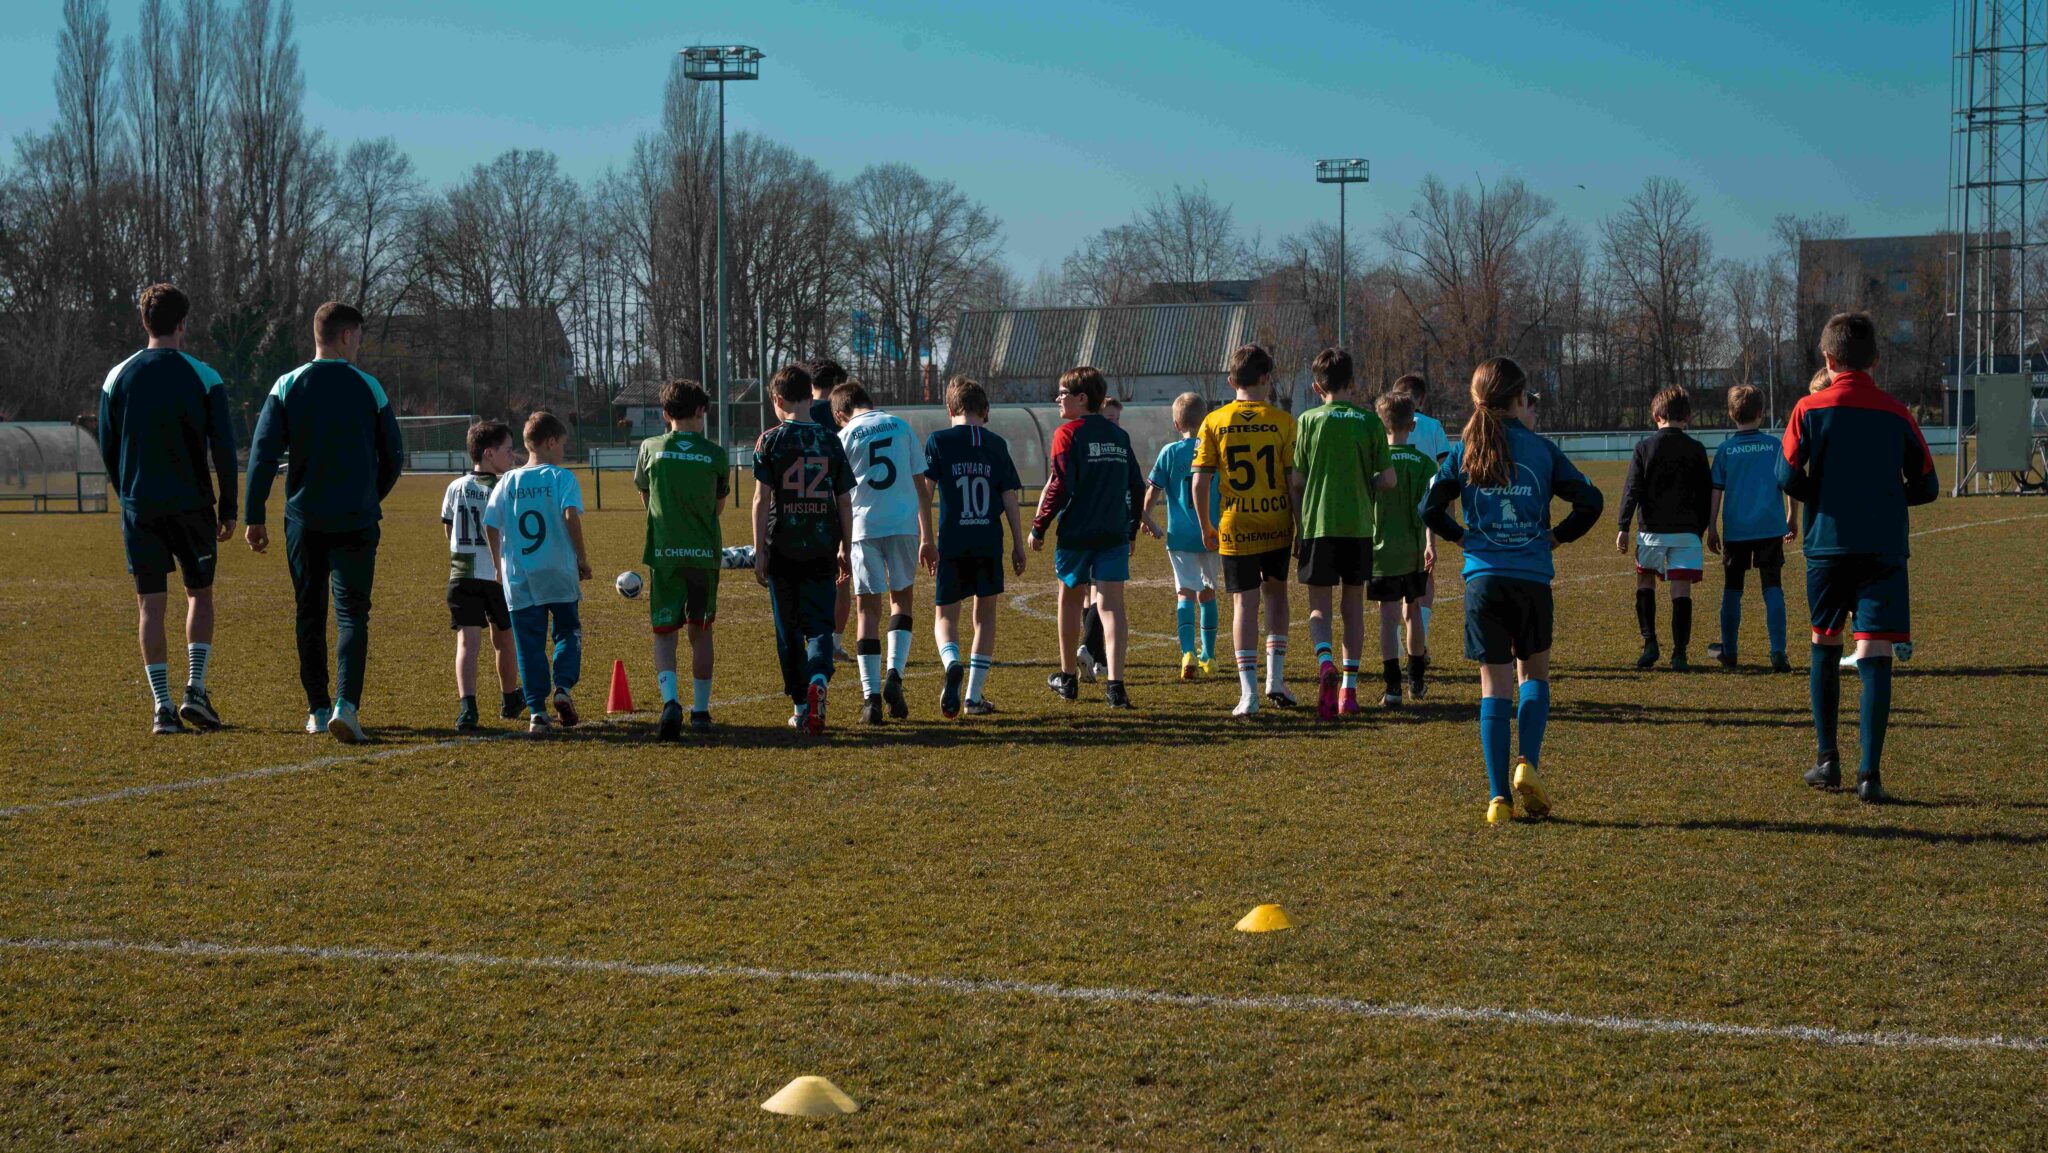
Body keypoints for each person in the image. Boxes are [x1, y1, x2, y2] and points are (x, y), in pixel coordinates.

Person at [1423, 357, 1604, 825]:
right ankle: (1528, 764)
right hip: (1531, 580)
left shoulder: (1464, 450)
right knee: (1534, 678)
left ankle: (1498, 799)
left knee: (1493, 688)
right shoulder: (1541, 450)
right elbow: (1591, 501)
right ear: (1519, 400)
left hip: (1483, 581)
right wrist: (1558, 535)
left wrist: (1462, 538)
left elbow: (1428, 507)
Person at [1778, 312, 1938, 803]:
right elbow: (1928, 485)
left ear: (1828, 360)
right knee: (1875, 652)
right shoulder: (1896, 412)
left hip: (1827, 545)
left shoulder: (1808, 408)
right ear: (1875, 360)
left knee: (1825, 643)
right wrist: (1886, 498)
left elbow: (1785, 476)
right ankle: (1870, 775)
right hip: (1883, 548)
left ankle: (1828, 761)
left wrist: (1823, 497)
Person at [244, 301, 403, 744]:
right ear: (347, 336)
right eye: (359, 338)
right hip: (356, 518)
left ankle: (316, 709)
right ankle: (345, 707)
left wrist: (254, 515)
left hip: (303, 519)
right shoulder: (369, 386)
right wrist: (371, 497)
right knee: (353, 614)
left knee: (308, 612)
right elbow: (395, 456)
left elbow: (262, 456)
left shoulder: (287, 384)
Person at [99, 283, 238, 735]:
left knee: (150, 605)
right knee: (199, 595)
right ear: (183, 324)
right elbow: (223, 448)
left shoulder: (117, 376)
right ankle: (194, 690)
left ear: (145, 323)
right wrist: (229, 507)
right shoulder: (205, 376)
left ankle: (162, 707)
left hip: (140, 507)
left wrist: (129, 495)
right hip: (192, 505)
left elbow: (108, 448)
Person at [1289, 349, 1395, 721]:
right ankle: (1349, 690)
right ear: (1354, 382)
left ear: (1317, 386)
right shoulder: (1369, 423)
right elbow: (1387, 480)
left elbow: (1297, 480)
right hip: (1359, 527)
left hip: (1318, 526)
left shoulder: (1307, 421)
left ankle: (1325, 662)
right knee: (1353, 609)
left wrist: (1298, 526)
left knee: (1318, 608)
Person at [1194, 345, 1298, 716]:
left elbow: (1199, 481)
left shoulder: (1214, 420)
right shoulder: (1285, 421)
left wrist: (1206, 524)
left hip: (1235, 523)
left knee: (1244, 603)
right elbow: (1293, 481)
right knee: (1277, 596)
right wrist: (1299, 524)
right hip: (1276, 522)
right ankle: (1276, 678)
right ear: (1267, 379)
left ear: (1230, 380)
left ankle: (1249, 693)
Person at [1032, 366, 1144, 709]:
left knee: (1069, 599)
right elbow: (1136, 485)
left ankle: (1068, 678)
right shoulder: (1118, 436)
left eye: (1063, 393)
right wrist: (1131, 527)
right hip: (1112, 532)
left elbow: (1060, 485)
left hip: (1077, 533)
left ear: (1082, 399)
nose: (1058, 399)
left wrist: (1039, 525)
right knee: (1112, 606)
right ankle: (1116, 686)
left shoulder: (1067, 434)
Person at [754, 363, 855, 735]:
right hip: (822, 547)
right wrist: (844, 546)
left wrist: (758, 550)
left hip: (783, 548)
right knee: (820, 627)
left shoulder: (770, 440)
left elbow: (761, 498)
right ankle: (819, 681)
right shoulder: (832, 440)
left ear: (778, 400)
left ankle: (801, 704)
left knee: (788, 631)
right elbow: (844, 500)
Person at [917, 376, 1026, 717]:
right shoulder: (996, 444)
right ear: (986, 411)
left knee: (945, 615)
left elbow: (926, 492)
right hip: (988, 540)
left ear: (950, 408)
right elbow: (1009, 498)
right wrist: (1018, 545)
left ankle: (951, 661)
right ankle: (974, 697)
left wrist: (926, 539)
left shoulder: (938, 441)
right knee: (986, 618)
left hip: (952, 539)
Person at [484, 411, 591, 734]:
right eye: (562, 446)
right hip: (558, 570)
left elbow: (490, 523)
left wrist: (498, 566)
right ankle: (562, 687)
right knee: (567, 631)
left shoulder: (508, 480)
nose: (563, 453)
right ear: (550, 442)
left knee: (528, 644)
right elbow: (570, 515)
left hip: (521, 576)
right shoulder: (561, 478)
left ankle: (537, 713)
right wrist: (582, 558)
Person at [635, 380, 728, 738]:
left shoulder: (650, 448)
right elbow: (718, 507)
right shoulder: (715, 454)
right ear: (701, 411)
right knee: (701, 632)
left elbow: (646, 498)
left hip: (664, 553)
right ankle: (701, 712)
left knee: (664, 632)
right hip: (704, 554)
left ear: (665, 414)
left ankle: (671, 702)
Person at [832, 381, 922, 724]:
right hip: (902, 524)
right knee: (902, 602)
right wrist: (927, 536)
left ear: (841, 413)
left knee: (867, 612)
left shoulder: (846, 436)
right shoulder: (901, 426)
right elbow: (920, 484)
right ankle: (894, 677)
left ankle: (870, 699)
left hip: (862, 528)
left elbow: (840, 496)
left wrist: (842, 541)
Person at [1616, 385, 1712, 670]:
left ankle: (1650, 643)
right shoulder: (1696, 449)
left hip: (1651, 532)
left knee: (1645, 582)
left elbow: (1632, 488)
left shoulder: (1644, 447)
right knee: (1681, 590)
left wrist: (1623, 526)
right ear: (1687, 417)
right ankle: (1679, 653)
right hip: (1686, 533)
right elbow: (1705, 493)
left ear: (1656, 415)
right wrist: (1700, 529)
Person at [1705, 384, 1796, 673]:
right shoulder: (1774, 445)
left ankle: (1729, 653)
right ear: (1761, 412)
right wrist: (1792, 516)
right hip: (1770, 527)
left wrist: (1711, 526)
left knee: (1733, 589)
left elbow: (1716, 492)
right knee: (1773, 586)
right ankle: (1778, 652)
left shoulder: (1726, 450)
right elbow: (1788, 481)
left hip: (1737, 531)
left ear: (1731, 414)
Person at [441, 420, 524, 731]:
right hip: (497, 576)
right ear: (489, 453)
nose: (512, 456)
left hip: (461, 575)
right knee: (504, 639)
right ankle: (509, 699)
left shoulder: (455, 486)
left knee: (467, 643)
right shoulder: (504, 487)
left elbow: (449, 530)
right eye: (506, 450)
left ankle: (468, 708)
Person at [1141, 392, 1220, 678]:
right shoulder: (1215, 449)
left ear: (1176, 424)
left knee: (1184, 594)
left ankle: (1187, 652)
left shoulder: (1169, 452)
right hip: (1211, 533)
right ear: (1207, 419)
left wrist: (1146, 518)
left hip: (1180, 536)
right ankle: (1208, 656)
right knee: (1208, 593)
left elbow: (1152, 491)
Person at [1372, 392, 1438, 709]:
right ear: (1412, 425)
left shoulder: (1375, 465)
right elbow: (1432, 511)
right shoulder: (1424, 464)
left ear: (1381, 424)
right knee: (1412, 613)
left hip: (1381, 552)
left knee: (1387, 619)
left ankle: (1393, 687)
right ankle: (1417, 680)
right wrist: (1430, 545)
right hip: (1413, 550)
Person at [1391, 372, 1451, 654]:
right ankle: (1420, 637)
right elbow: (1446, 470)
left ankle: (1395, 644)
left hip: (1389, 513)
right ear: (1422, 398)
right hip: (1423, 512)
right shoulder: (1434, 426)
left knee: (1389, 579)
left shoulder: (1384, 425)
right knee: (1424, 577)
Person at [803, 357, 854, 662]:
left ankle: (809, 640)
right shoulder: (841, 415)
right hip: (836, 504)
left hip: (798, 505)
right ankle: (833, 643)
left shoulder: (799, 413)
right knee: (841, 577)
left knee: (804, 578)